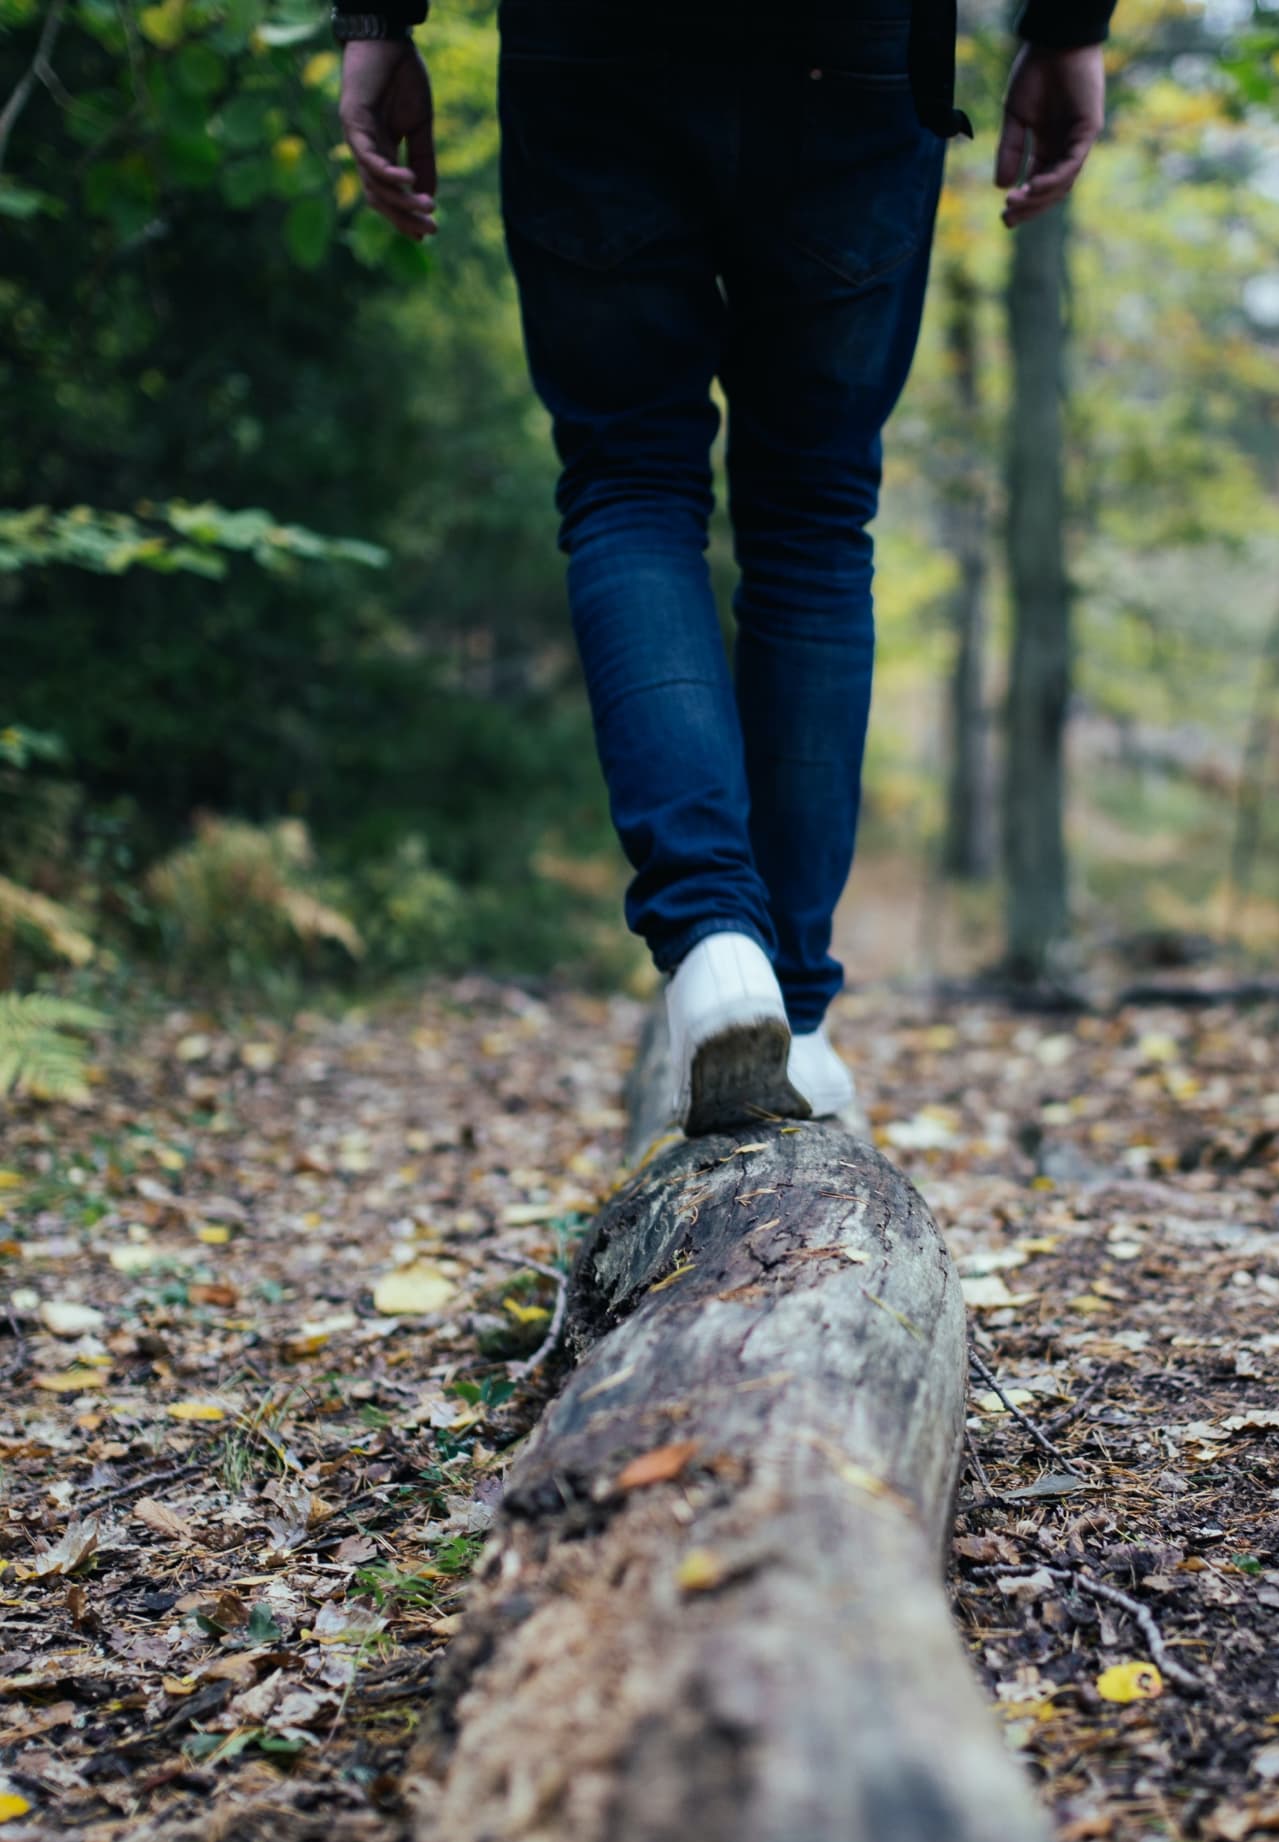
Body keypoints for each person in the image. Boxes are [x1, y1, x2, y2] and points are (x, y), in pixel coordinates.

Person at [333, 0, 1113, 1134]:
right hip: (852, 49)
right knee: (812, 517)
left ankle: (714, 950)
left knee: (630, 482)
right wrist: (1068, 27)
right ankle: (791, 1011)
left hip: (589, 44)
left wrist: (373, 20)